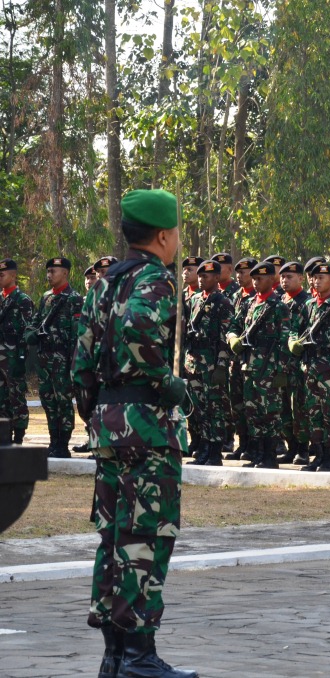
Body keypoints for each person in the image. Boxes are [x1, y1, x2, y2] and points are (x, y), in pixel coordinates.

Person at [72, 188, 197, 678]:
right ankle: (139, 659)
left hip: (109, 429)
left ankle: (115, 655)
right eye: (178, 234)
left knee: (115, 538)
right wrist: (167, 385)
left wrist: (99, 415)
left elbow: (81, 365)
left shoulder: (102, 284)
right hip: (146, 431)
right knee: (146, 538)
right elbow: (143, 334)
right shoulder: (156, 280)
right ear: (163, 236)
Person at [289, 262, 330, 472]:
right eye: (314, 277)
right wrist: (293, 343)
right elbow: (294, 330)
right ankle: (318, 455)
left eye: (322, 278)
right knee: (313, 413)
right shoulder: (308, 306)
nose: (317, 281)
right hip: (311, 367)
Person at [227, 259, 289, 469]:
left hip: (269, 369)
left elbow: (284, 340)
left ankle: (270, 455)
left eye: (260, 278)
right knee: (252, 412)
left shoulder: (279, 306)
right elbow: (233, 325)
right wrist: (233, 338)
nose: (255, 282)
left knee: (269, 412)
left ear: (272, 280)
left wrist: (281, 370)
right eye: (253, 278)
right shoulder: (248, 304)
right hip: (249, 367)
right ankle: (258, 453)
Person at [25, 256, 82, 457]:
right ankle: (53, 441)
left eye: (53, 271)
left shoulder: (74, 298)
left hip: (63, 359)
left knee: (63, 402)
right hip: (45, 359)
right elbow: (34, 322)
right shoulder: (46, 297)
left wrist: (74, 362)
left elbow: (78, 334)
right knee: (48, 400)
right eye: (48, 271)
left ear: (65, 273)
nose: (49, 275)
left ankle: (63, 444)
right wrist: (31, 334)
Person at [183, 259, 233, 466]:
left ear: (217, 278)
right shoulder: (194, 300)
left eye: (207, 276)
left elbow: (225, 337)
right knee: (200, 408)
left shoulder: (223, 302)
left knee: (215, 409)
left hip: (212, 364)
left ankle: (215, 451)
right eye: (200, 275)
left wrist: (221, 365)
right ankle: (204, 447)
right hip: (194, 363)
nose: (202, 279)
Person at [277, 261, 312, 465]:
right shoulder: (279, 301)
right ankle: (290, 446)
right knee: (283, 408)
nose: (285, 280)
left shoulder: (307, 302)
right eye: (282, 277)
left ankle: (303, 449)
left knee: (300, 408)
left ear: (300, 278)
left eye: (289, 276)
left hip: (299, 366)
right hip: (279, 365)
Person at [225, 256, 257, 461]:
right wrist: (231, 336)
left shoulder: (260, 297)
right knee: (236, 403)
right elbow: (232, 324)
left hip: (254, 360)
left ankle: (255, 446)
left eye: (243, 272)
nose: (239, 276)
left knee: (252, 404)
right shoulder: (236, 296)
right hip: (235, 360)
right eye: (237, 272)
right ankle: (243, 443)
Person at [0, 258, 33, 446]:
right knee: (1, 399)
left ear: (13, 275)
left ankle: (19, 437)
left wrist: (21, 358)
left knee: (16, 398)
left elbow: (27, 333)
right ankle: (3, 436)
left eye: (2, 274)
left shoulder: (23, 300)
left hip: (13, 359)